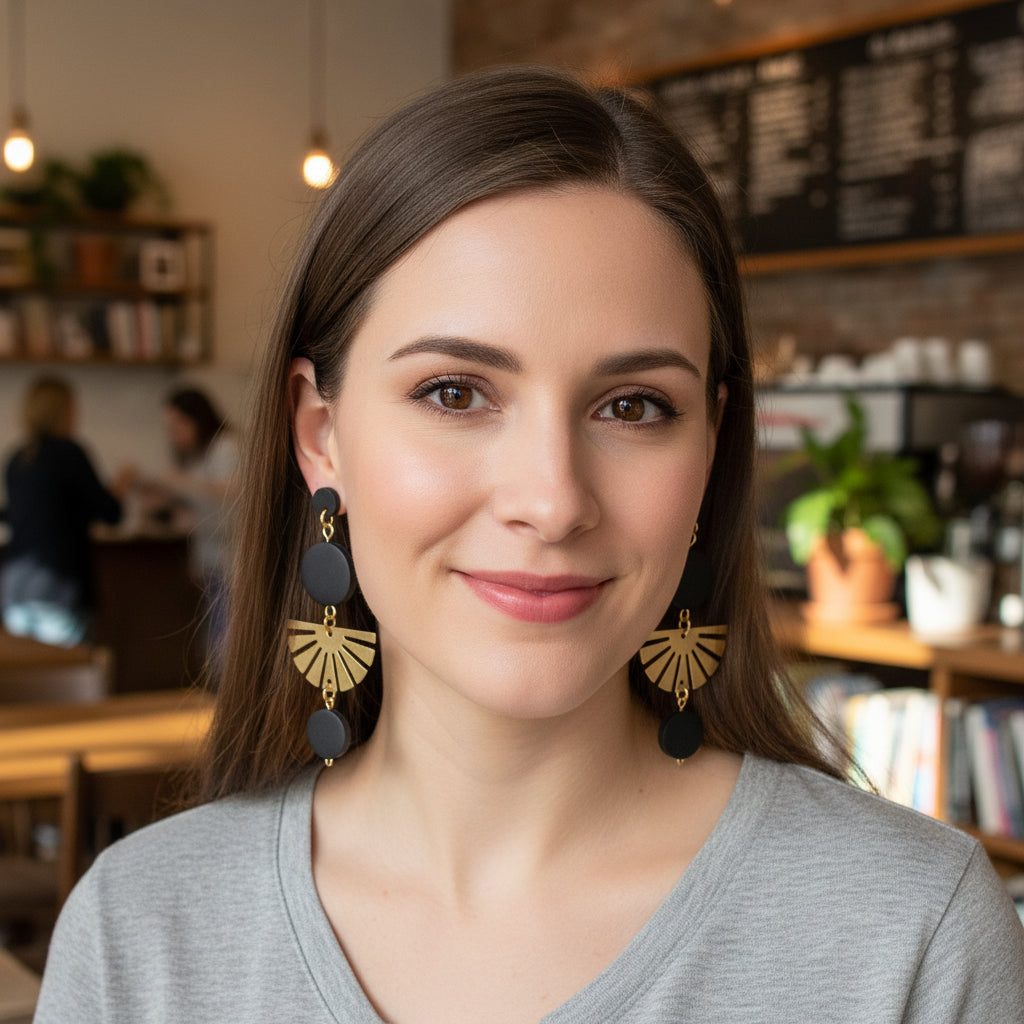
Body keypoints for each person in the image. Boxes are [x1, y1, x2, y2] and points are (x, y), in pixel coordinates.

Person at [35, 67, 1024, 1022]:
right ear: (320, 432)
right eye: (454, 393)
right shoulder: (139, 935)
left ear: (711, 448)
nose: (552, 502)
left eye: (633, 406)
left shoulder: (912, 937)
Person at [1, 376, 132, 647]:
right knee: (68, 666)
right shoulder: (70, 453)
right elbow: (110, 512)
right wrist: (122, 484)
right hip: (57, 584)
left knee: (29, 668)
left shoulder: (17, 459)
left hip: (16, 585)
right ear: (64, 411)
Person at [144, 387, 238, 666]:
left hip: (231, 566)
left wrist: (177, 482)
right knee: (213, 645)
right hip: (211, 566)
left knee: (225, 648)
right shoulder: (198, 454)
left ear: (196, 419)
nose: (172, 435)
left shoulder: (226, 447)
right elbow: (198, 508)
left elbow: (230, 504)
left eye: (177, 426)